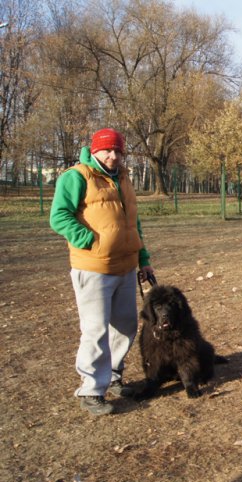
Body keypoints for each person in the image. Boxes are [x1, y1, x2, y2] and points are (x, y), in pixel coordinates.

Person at [50, 128, 154, 416]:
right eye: (107, 150)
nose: (113, 155)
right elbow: (59, 216)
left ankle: (114, 376)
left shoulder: (123, 177)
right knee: (95, 330)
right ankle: (92, 389)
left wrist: (143, 258)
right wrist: (90, 241)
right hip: (93, 267)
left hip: (125, 266)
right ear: (94, 151)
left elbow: (134, 224)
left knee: (125, 326)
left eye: (118, 151)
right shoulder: (77, 176)